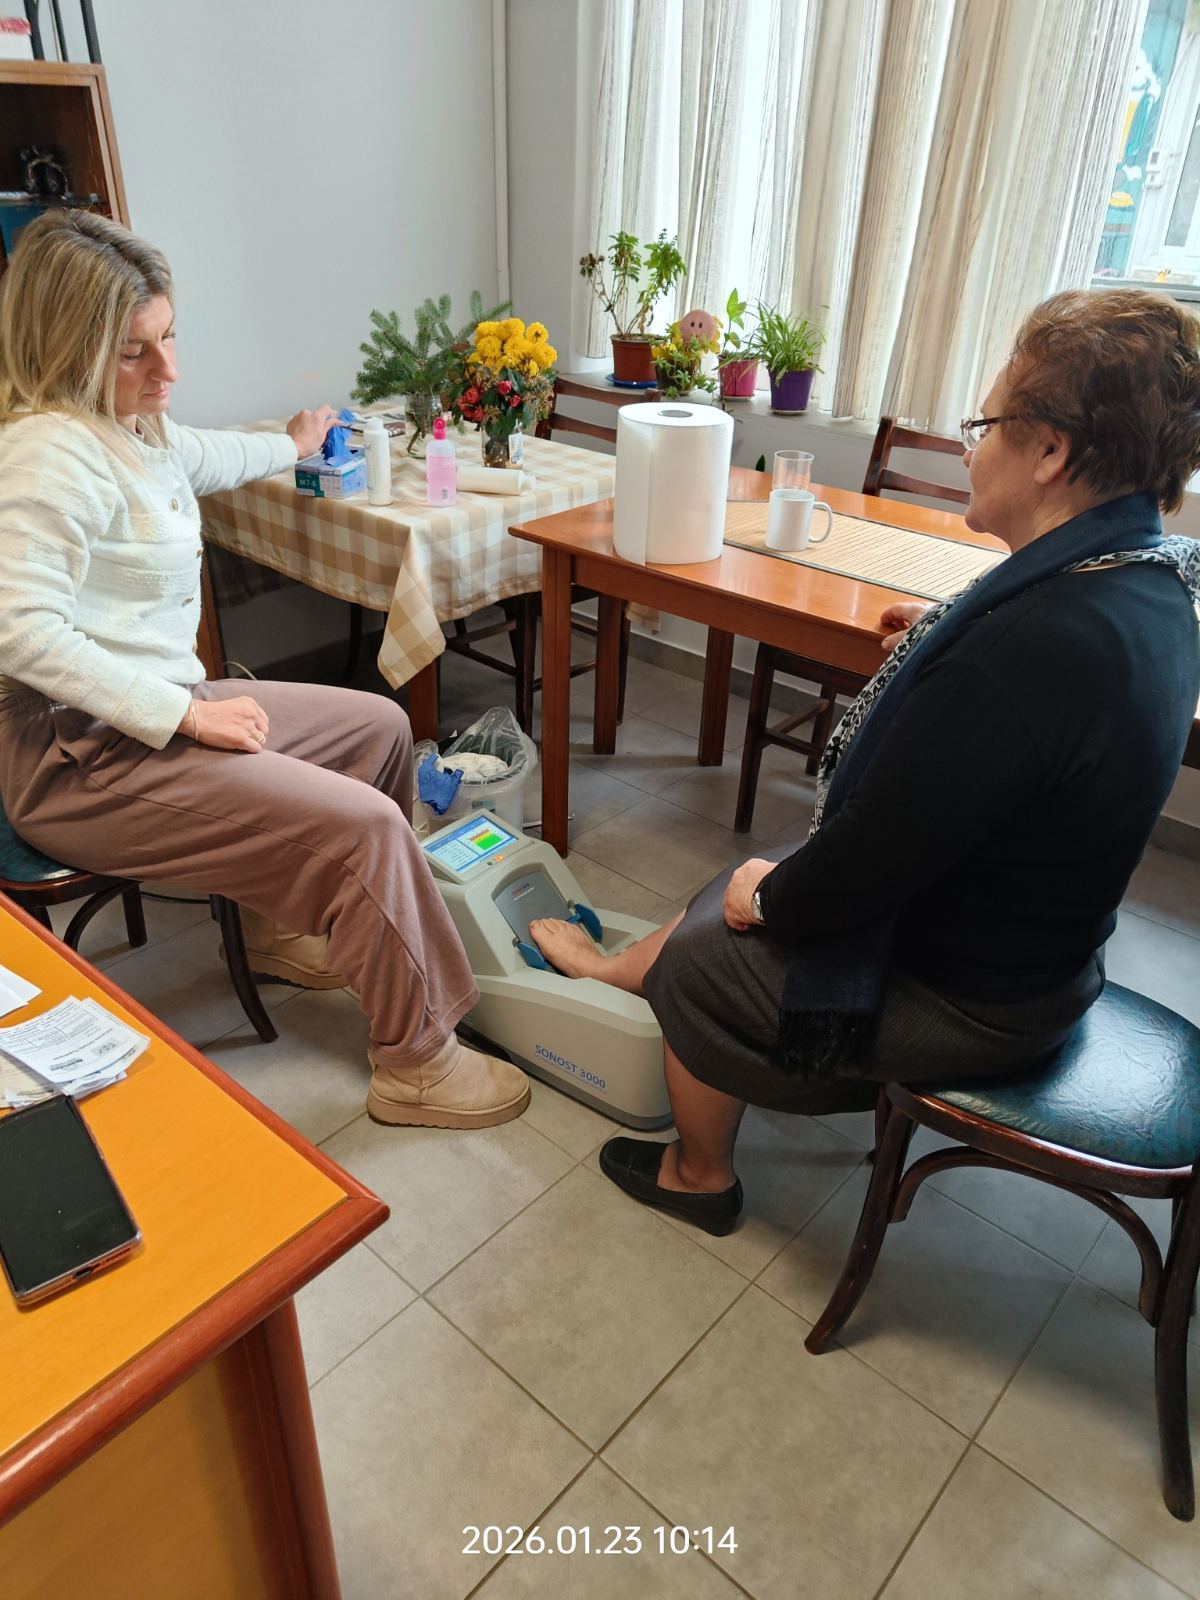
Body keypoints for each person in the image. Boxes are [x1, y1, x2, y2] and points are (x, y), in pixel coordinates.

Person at [531, 287, 1200, 1235]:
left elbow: (861, 866)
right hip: (1047, 957)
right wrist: (940, 639)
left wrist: (770, 901)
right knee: (745, 879)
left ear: (1051, 452)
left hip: (982, 1002)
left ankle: (697, 1175)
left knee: (709, 948)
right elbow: (1030, 722)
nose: (970, 449)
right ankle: (613, 973)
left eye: (985, 426)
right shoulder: (1148, 581)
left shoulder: (1029, 654)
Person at [0, 210, 529, 1130]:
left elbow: (211, 456)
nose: (169, 371)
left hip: (152, 711)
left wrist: (294, 442)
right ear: (67, 350)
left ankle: (280, 929)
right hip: (77, 756)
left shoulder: (133, 426)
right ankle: (417, 1063)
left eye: (170, 337)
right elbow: (18, 633)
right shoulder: (47, 452)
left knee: (382, 726)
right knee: (365, 828)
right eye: (135, 352)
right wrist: (187, 717)